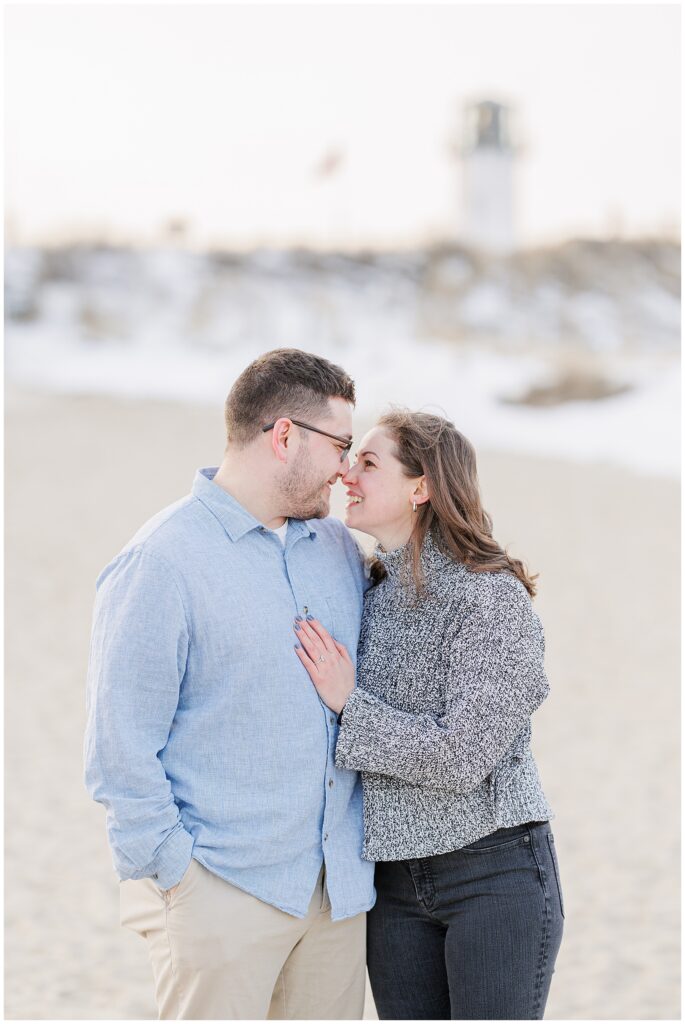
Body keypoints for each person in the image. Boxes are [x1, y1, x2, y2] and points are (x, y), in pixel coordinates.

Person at [84, 348, 375, 1021]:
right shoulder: (161, 562)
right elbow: (118, 752)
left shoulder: (334, 550)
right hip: (221, 893)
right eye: (339, 444)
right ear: (283, 437)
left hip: (337, 899)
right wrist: (180, 880)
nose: (343, 467)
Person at [295, 408, 564, 1020]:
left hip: (492, 876)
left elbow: (464, 756)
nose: (346, 476)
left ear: (421, 488)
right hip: (391, 886)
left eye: (367, 462)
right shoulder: (371, 589)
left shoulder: (490, 597)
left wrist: (350, 706)